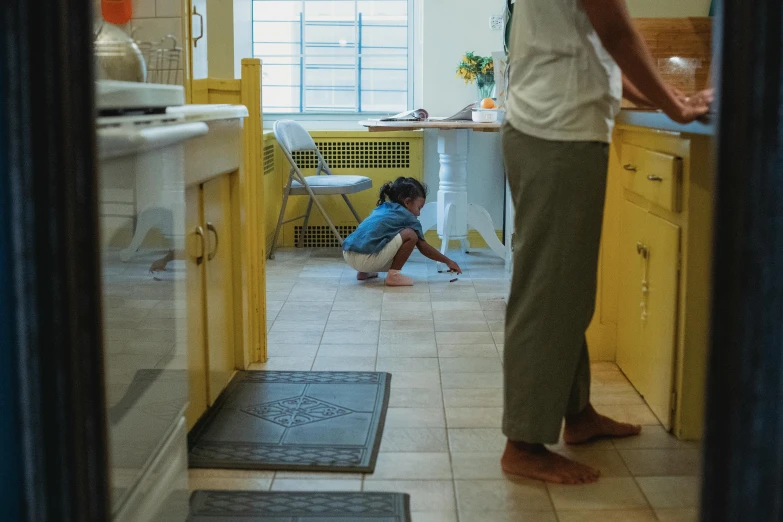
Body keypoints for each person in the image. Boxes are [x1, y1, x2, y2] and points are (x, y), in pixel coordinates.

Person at [500, 0, 713, 485]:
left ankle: (578, 415)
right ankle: (523, 443)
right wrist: (676, 104)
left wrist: (665, 99)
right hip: (557, 134)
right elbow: (615, 31)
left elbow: (596, 53)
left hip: (552, 128)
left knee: (565, 289)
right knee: (551, 293)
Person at [342, 177, 462, 285]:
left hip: (348, 254)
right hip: (366, 260)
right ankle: (393, 276)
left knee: (376, 235)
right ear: (407, 202)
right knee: (411, 235)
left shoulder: (383, 208)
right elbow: (423, 247)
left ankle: (364, 272)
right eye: (419, 208)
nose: (419, 213)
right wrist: (448, 261)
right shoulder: (408, 217)